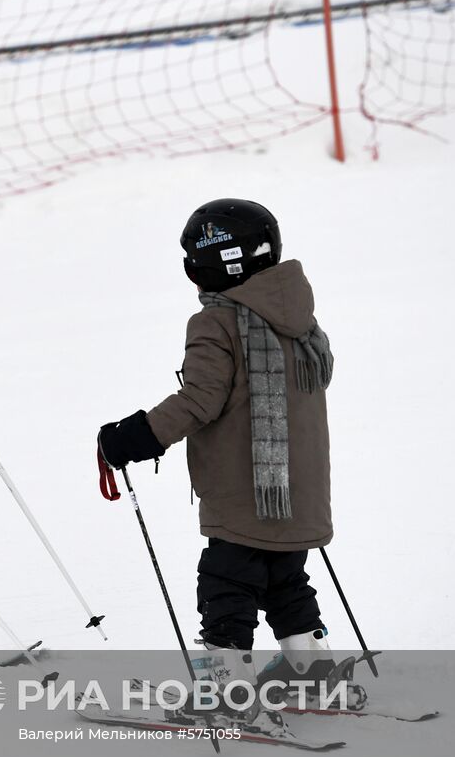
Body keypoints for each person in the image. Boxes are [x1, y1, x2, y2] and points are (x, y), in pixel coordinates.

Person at [96, 198, 336, 726]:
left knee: (228, 582)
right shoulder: (296, 314)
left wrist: (133, 436)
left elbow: (201, 400)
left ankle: (228, 689)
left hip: (244, 488)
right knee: (284, 575)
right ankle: (308, 665)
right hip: (299, 487)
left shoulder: (217, 323)